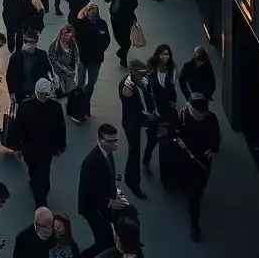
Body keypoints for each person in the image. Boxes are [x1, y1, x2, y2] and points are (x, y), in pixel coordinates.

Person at [173, 93, 221, 242]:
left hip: (201, 158)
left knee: (197, 191)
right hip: (187, 156)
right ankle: (194, 221)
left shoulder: (211, 119)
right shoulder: (184, 114)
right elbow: (177, 132)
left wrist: (212, 149)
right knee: (191, 189)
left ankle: (195, 221)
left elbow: (216, 138)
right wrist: (178, 139)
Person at [77, 124, 128, 258]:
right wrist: (109, 203)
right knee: (103, 242)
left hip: (101, 205)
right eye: (109, 141)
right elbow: (87, 191)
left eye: (115, 140)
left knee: (106, 238)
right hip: (92, 209)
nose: (113, 144)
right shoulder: (91, 162)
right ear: (99, 140)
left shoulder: (107, 154)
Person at [16, 78, 66, 208]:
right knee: (35, 171)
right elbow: (18, 128)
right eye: (42, 93)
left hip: (45, 149)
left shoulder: (54, 107)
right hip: (30, 148)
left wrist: (61, 145)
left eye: (46, 94)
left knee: (43, 177)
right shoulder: (25, 107)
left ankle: (41, 205)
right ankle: (37, 189)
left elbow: (61, 127)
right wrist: (17, 147)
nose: (44, 96)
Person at [119, 59, 161, 199]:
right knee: (134, 150)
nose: (143, 76)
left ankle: (147, 160)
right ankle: (132, 182)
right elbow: (132, 111)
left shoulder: (144, 79)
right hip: (132, 121)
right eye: (140, 73)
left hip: (149, 115)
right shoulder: (127, 88)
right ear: (132, 72)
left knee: (154, 138)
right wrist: (146, 120)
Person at [73, 3, 111, 115]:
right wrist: (80, 18)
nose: (93, 12)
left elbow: (106, 40)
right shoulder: (82, 23)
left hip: (96, 59)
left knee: (92, 82)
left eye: (95, 9)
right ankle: (78, 103)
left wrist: (99, 49)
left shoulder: (102, 23)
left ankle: (86, 101)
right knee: (80, 82)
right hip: (83, 58)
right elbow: (79, 37)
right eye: (90, 9)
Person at [6, 29, 54, 104]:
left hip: (37, 92)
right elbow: (10, 75)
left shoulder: (42, 55)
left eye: (31, 42)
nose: (28, 44)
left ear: (36, 43)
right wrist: (11, 92)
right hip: (21, 92)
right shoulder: (16, 57)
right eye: (25, 41)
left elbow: (48, 70)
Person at [104, 0, 138, 68]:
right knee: (118, 37)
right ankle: (122, 50)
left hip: (126, 18)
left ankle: (123, 57)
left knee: (126, 40)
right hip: (115, 18)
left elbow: (134, 3)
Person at [47, 24, 80, 103]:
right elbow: (53, 60)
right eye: (64, 35)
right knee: (64, 91)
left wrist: (74, 68)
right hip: (60, 73)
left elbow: (76, 55)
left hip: (70, 72)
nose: (66, 38)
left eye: (69, 36)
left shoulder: (73, 44)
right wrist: (65, 70)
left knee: (71, 91)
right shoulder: (54, 46)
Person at [147, 44, 177, 118]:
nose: (165, 57)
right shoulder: (152, 67)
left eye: (167, 54)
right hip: (155, 97)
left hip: (167, 98)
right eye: (162, 54)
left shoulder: (172, 68)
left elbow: (174, 86)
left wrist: (173, 100)